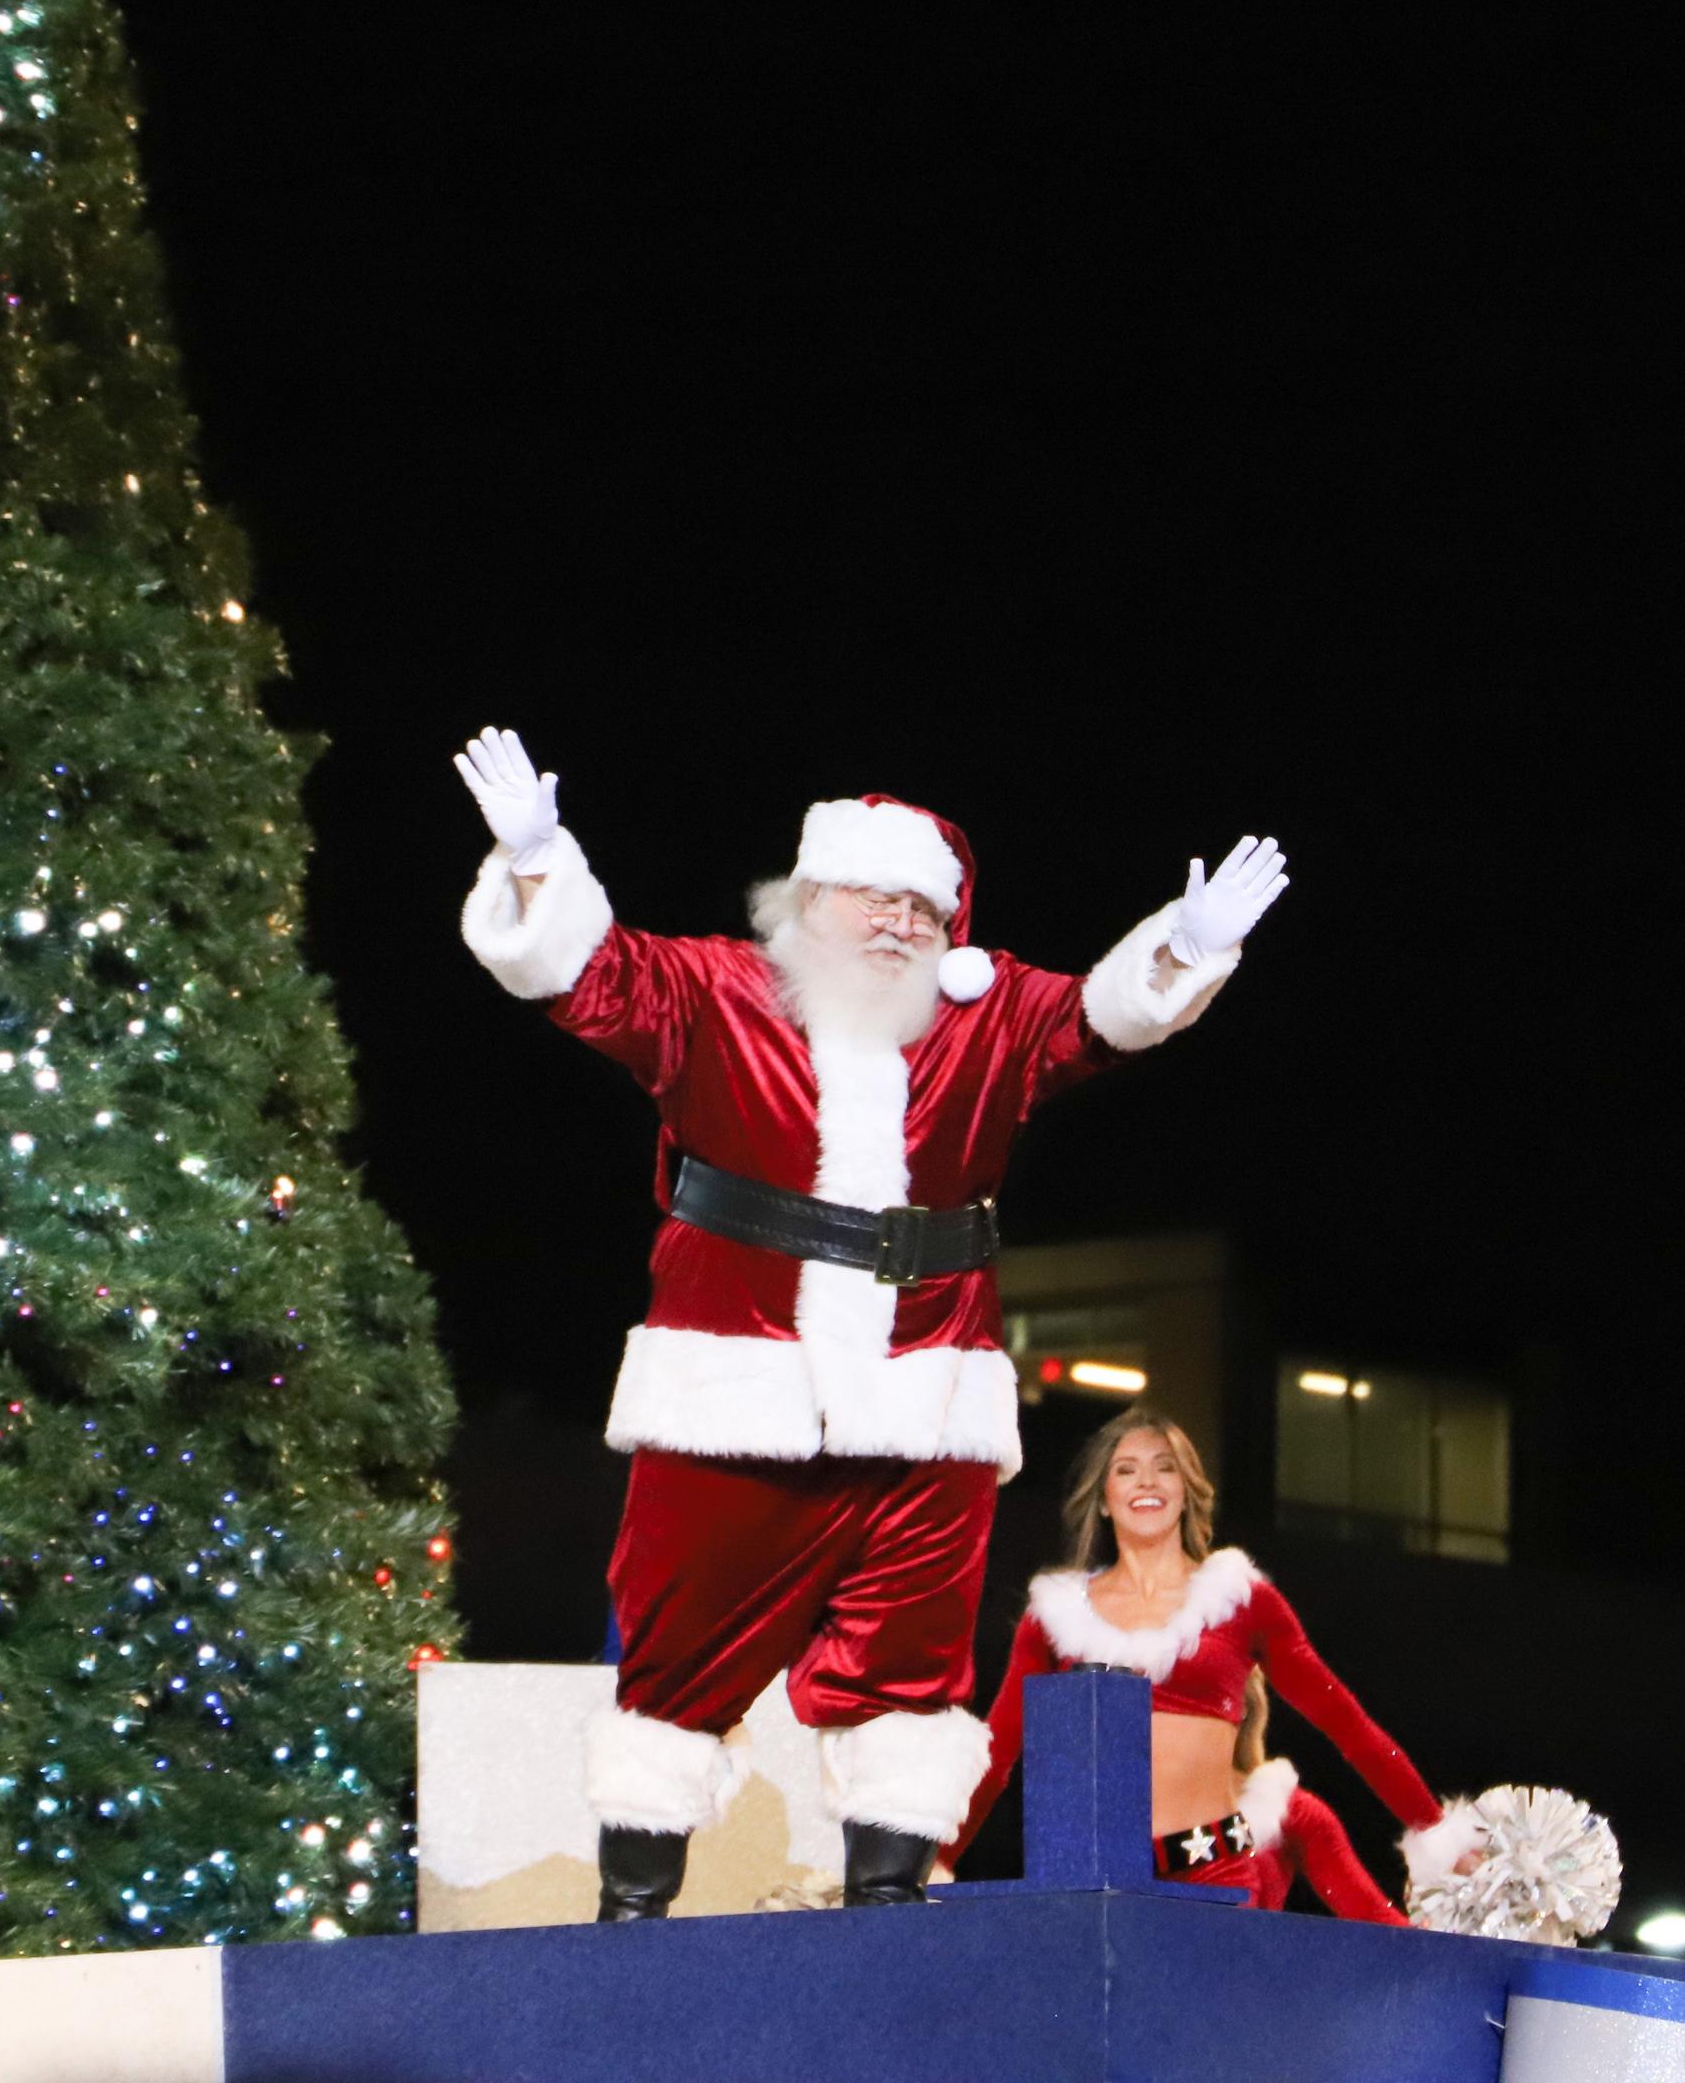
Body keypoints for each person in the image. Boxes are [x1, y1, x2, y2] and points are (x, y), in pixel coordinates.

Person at [452, 730, 1289, 1917]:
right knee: (678, 1663)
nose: (896, 922)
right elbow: (579, 974)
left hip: (927, 1405)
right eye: (868, 895)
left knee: (911, 1673)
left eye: (921, 906)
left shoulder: (985, 1016)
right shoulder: (710, 991)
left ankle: (890, 1916)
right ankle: (631, 1923)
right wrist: (538, 859)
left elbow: (1103, 1015)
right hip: (735, 1396)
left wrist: (1187, 946)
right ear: (803, 900)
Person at [948, 1407, 1474, 1902]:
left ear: (1186, 1492)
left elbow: (1346, 1723)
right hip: (1092, 1876)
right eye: (1127, 1470)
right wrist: (941, 1858)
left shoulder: (1242, 1600)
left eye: (1165, 1468)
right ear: (1105, 1499)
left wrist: (1437, 1830)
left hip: (1212, 1861)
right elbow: (998, 1753)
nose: (1148, 1482)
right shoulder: (1056, 1617)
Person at [1233, 1674, 1408, 1922]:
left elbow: (1377, 1922)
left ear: (1244, 1705)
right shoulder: (1157, 1810)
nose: (1184, 1709)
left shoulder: (1288, 1809)